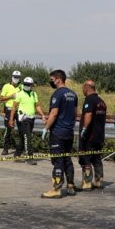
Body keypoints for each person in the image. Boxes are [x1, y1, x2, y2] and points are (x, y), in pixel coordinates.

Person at [41, 70, 78, 198]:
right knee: (67, 158)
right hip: (69, 131)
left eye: (52, 79)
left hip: (58, 132)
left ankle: (56, 189)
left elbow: (54, 113)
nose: (51, 81)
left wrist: (46, 127)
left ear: (58, 79)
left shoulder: (57, 94)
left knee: (58, 160)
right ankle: (71, 186)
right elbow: (74, 113)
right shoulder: (73, 94)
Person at [8, 77, 46, 164]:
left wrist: (42, 115)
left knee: (23, 137)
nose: (27, 86)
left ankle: (17, 155)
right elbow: (14, 107)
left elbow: (37, 106)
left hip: (31, 118)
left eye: (28, 85)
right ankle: (30, 157)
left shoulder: (34, 94)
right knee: (27, 137)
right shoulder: (19, 94)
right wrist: (11, 119)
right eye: (25, 84)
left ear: (31, 85)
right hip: (23, 119)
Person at [78, 80, 107, 190]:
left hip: (89, 136)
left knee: (85, 158)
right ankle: (99, 181)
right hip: (99, 136)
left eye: (83, 88)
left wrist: (84, 128)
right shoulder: (101, 102)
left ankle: (87, 182)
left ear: (87, 87)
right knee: (97, 158)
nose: (82, 90)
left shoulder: (89, 100)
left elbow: (89, 114)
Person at [0, 71, 22, 155]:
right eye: (15, 77)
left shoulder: (22, 86)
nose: (16, 79)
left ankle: (20, 149)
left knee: (21, 130)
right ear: (12, 77)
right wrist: (11, 96)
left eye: (18, 77)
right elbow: (1, 98)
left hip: (19, 110)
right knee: (8, 129)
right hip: (9, 110)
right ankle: (5, 149)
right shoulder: (6, 86)